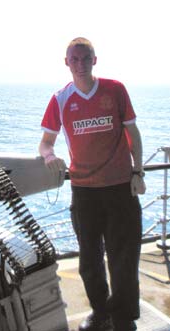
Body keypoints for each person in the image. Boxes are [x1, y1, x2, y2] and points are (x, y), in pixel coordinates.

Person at [38, 37, 146, 331]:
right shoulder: (60, 99)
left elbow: (132, 133)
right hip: (84, 190)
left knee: (124, 256)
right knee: (89, 260)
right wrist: (50, 157)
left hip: (120, 187)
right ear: (66, 62)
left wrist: (138, 172)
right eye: (75, 59)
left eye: (86, 58)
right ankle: (101, 311)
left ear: (94, 60)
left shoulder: (114, 89)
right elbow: (46, 143)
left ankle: (123, 317)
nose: (81, 64)